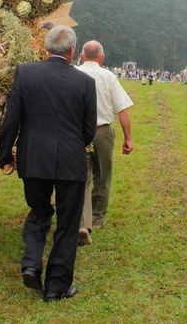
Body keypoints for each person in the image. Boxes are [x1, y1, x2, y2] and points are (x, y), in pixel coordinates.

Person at [0, 25, 96, 303]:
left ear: (46, 47)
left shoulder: (26, 73)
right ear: (72, 50)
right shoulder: (85, 83)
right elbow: (89, 129)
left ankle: (31, 263)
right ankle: (56, 287)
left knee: (38, 212)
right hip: (71, 160)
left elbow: (11, 120)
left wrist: (5, 155)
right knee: (67, 223)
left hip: (34, 157)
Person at [75, 41, 134, 246]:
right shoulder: (108, 76)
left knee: (81, 177)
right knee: (103, 175)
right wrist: (128, 138)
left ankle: (82, 222)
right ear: (102, 57)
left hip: (76, 133)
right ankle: (98, 219)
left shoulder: (73, 73)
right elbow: (122, 110)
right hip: (102, 132)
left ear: (81, 56)